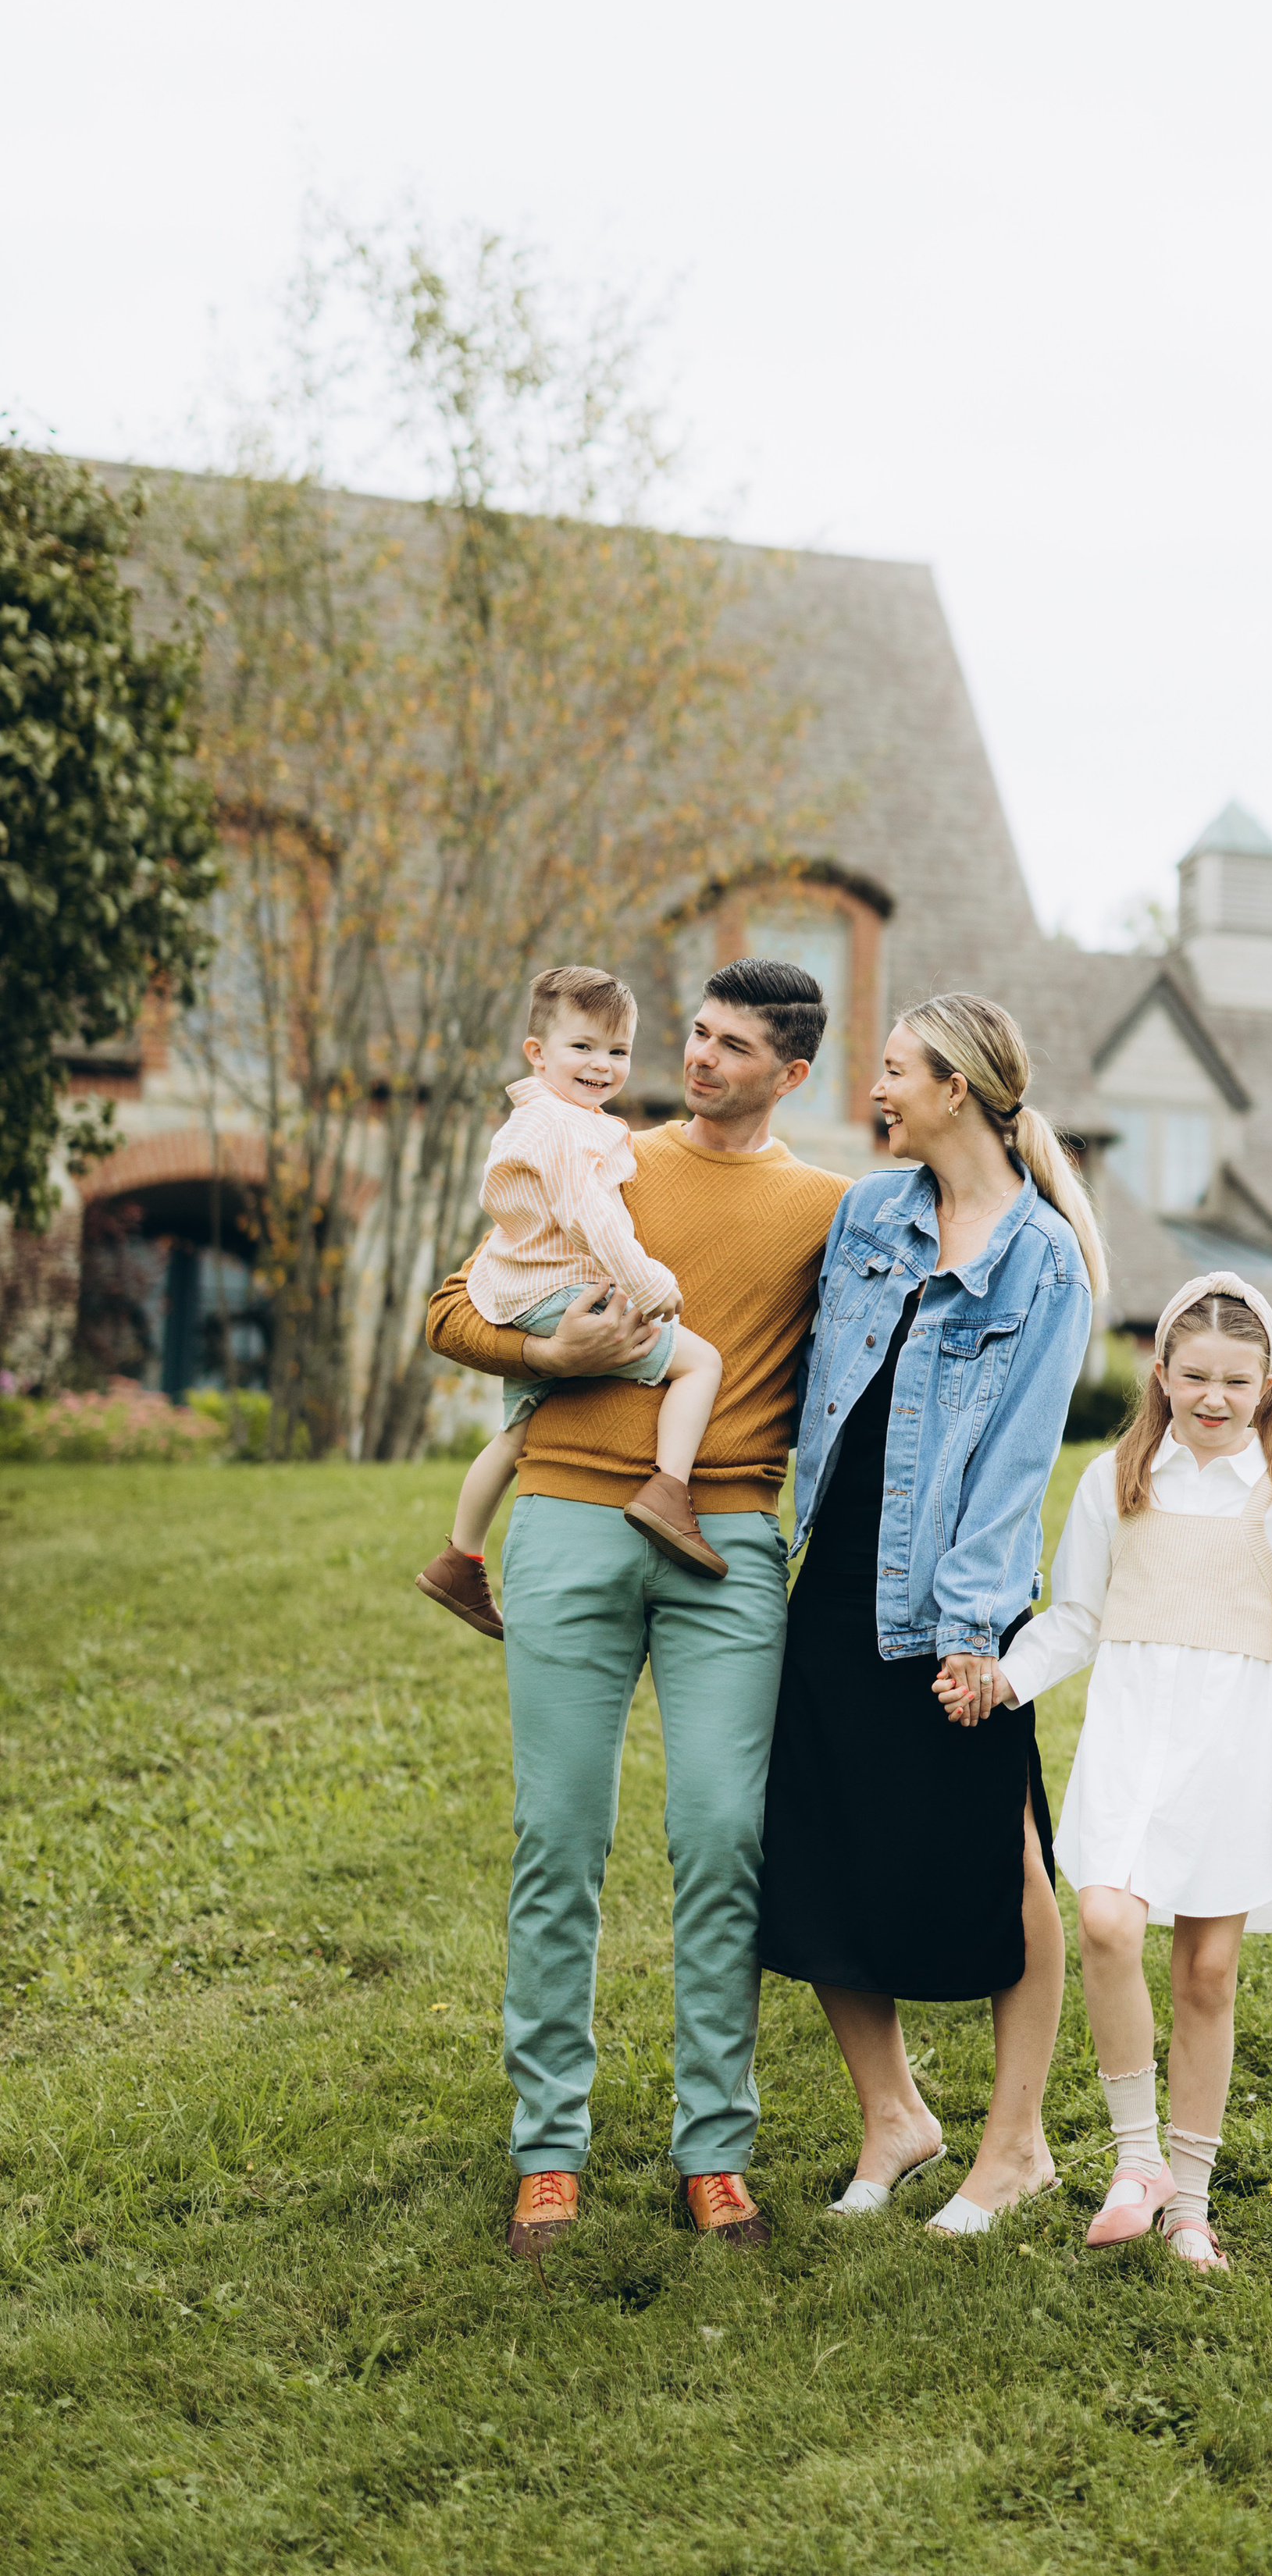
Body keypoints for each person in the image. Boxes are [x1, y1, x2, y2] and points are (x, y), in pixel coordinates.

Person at [424, 958, 848, 2261]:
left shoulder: (832, 1209)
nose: (700, 1061)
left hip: (727, 1538)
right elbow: (453, 1310)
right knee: (560, 1836)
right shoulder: (600, 1154)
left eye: (734, 1048)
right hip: (563, 1522)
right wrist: (542, 1354)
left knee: (723, 1835)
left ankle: (713, 2150)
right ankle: (547, 2150)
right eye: (698, 1036)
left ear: (792, 1074)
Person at [758, 993, 1103, 2236]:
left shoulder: (1043, 1259)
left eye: (896, 1071)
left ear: (958, 1087)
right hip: (832, 1571)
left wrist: (971, 1635)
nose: (878, 1090)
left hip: (953, 1598)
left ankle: (1016, 2148)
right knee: (814, 1842)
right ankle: (894, 2115)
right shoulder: (868, 1214)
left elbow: (1016, 1461)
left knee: (1004, 1859)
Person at [984, 1273, 1272, 2272]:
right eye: (1195, 1377)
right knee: (1105, 1918)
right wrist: (1004, 1680)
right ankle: (1134, 2157)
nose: (1215, 1398)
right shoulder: (1117, 1477)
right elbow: (1076, 1618)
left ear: (1269, 1381)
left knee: (1207, 1972)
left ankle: (1189, 2200)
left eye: (1236, 1380)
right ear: (1162, 1373)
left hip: (1234, 1751)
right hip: (1134, 1737)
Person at [417, 966, 729, 1640]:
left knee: (517, 1435)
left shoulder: (541, 1118)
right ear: (537, 1053)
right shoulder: (565, 1128)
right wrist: (646, 1283)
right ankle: (670, 1491)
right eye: (582, 1047)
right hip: (563, 1293)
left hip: (517, 1293)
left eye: (617, 1052)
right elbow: (591, 1214)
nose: (602, 1066)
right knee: (701, 1364)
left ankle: (459, 1558)